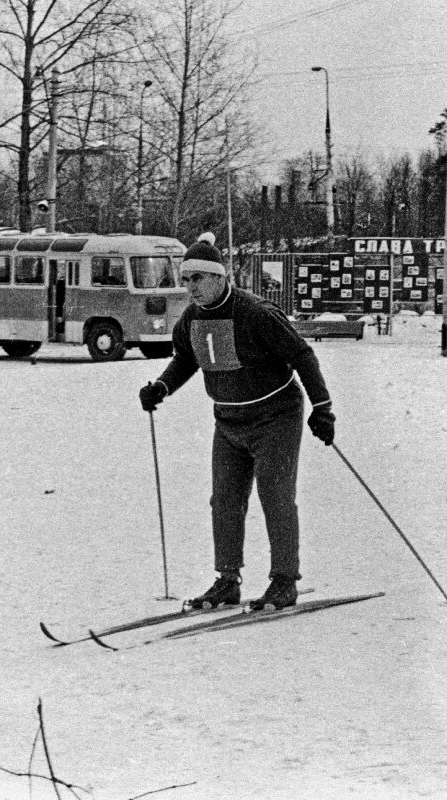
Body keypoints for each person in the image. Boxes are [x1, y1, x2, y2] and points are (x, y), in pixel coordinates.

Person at [138, 232, 335, 612]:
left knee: (275, 496)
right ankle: (227, 581)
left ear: (218, 277)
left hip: (275, 417)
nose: (189, 287)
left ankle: (284, 581)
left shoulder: (256, 312)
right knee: (225, 500)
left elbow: (302, 355)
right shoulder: (191, 319)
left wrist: (322, 408)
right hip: (227, 420)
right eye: (185, 279)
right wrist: (161, 387)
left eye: (197, 278)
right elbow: (186, 359)